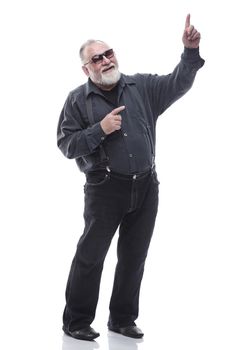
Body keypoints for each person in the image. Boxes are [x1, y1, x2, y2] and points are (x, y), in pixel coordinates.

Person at [57, 14, 204, 341]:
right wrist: (99, 130)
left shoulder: (142, 87)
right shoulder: (77, 101)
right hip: (105, 189)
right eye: (97, 58)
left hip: (146, 186)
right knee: (91, 255)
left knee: (134, 256)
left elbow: (177, 82)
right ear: (86, 69)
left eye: (109, 53)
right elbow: (67, 144)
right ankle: (77, 321)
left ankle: (122, 318)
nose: (106, 60)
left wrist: (189, 53)